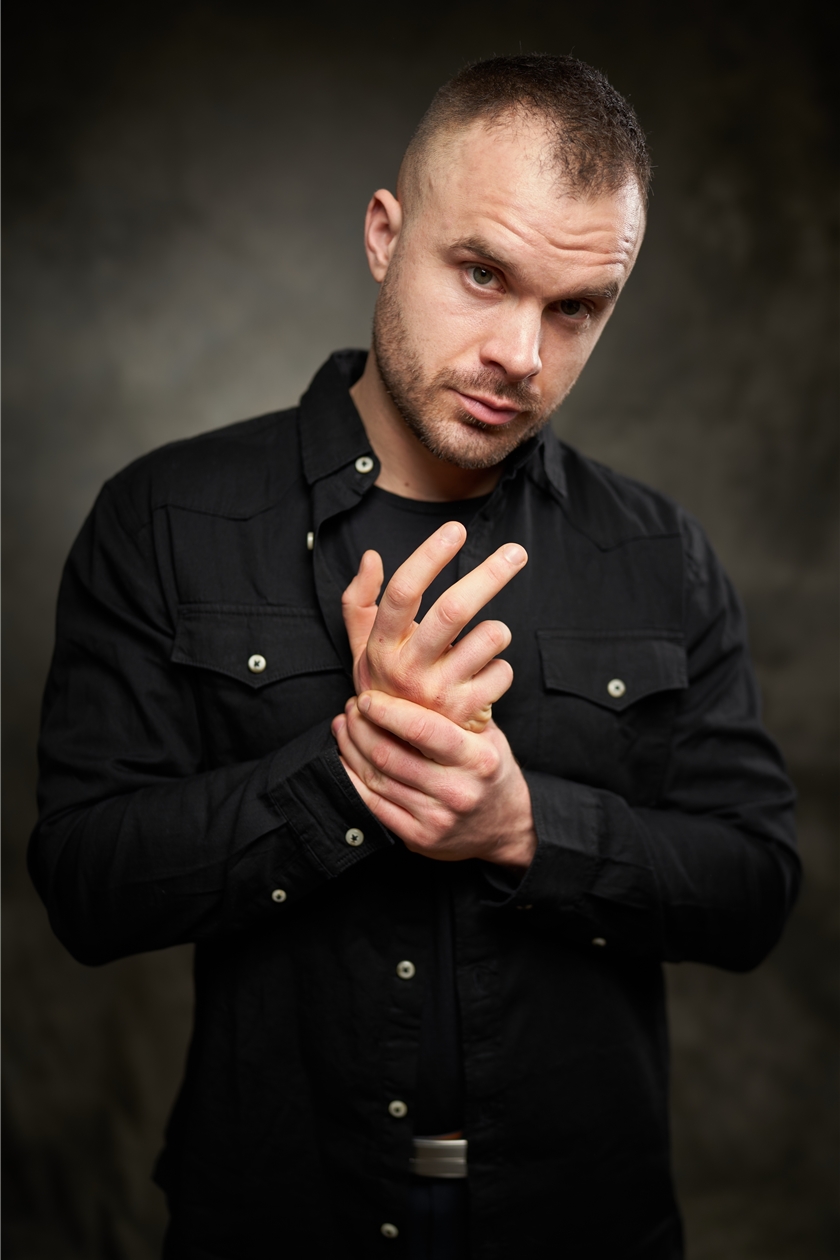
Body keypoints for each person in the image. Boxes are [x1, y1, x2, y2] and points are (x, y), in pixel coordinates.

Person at [29, 53, 799, 1260]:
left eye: (575, 308)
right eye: (483, 274)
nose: (522, 354)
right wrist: (348, 775)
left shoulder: (661, 553)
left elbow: (755, 887)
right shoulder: (167, 519)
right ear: (386, 236)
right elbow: (85, 886)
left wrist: (524, 828)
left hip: (583, 1228)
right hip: (279, 1223)